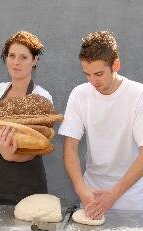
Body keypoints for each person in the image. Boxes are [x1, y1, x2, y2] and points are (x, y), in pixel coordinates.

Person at [58, 30, 143, 219]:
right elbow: (70, 148)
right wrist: (81, 189)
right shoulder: (80, 94)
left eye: (99, 74)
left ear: (116, 65)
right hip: (91, 197)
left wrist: (113, 194)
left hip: (133, 199)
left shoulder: (138, 95)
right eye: (87, 74)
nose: (92, 81)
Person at [0, 31, 53, 205]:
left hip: (27, 187)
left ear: (35, 60)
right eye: (12, 55)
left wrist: (11, 156)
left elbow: (37, 147)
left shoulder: (42, 97)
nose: (16, 62)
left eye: (23, 57)